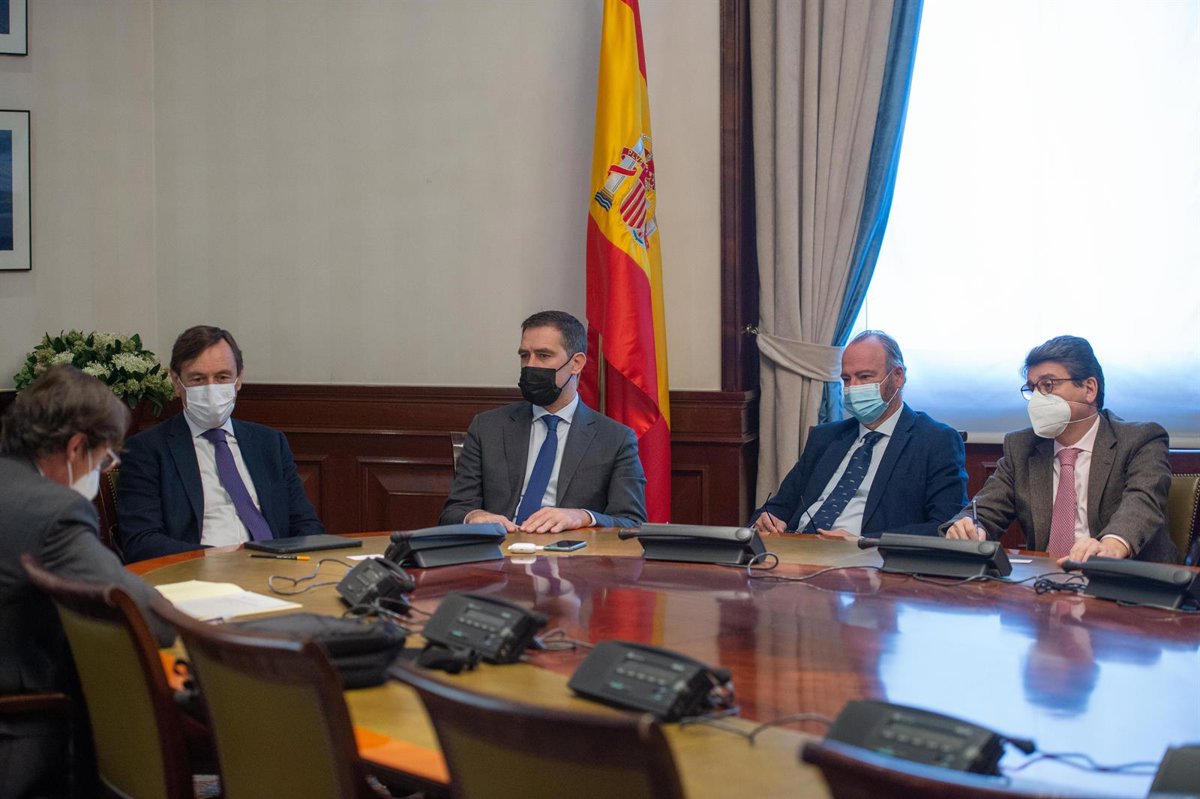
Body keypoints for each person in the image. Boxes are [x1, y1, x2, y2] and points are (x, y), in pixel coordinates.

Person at [0, 365, 175, 798]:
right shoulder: (52, 509)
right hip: (21, 726)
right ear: (76, 447)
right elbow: (148, 617)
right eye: (105, 458)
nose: (104, 469)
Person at [943, 335, 1174, 563]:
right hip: (1044, 577)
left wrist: (1111, 545)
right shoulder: (1022, 447)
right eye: (1032, 389)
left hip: (1126, 578)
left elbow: (1142, 501)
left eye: (1048, 385)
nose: (1037, 398)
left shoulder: (1140, 440)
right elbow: (985, 509)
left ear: (1089, 389)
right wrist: (969, 527)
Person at [117, 325, 324, 562]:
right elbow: (141, 542)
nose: (211, 389)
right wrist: (212, 556)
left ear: (239, 379)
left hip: (275, 569)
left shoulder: (270, 443)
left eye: (222, 377)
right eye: (198, 379)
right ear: (176, 381)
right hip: (199, 571)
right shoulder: (147, 450)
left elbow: (307, 525)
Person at [440, 310, 647, 532]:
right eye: (524, 356)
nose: (531, 365)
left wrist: (583, 517)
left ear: (576, 363)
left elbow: (632, 521)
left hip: (572, 549)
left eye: (544, 355)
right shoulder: (488, 428)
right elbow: (453, 512)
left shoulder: (615, 439)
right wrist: (474, 516)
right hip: (501, 545)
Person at [751, 330, 967, 537]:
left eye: (864, 377)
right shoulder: (825, 438)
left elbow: (944, 526)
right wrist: (767, 519)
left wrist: (864, 542)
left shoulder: (936, 441)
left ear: (898, 376)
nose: (853, 387)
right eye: (846, 379)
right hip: (797, 548)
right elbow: (777, 507)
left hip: (869, 555)